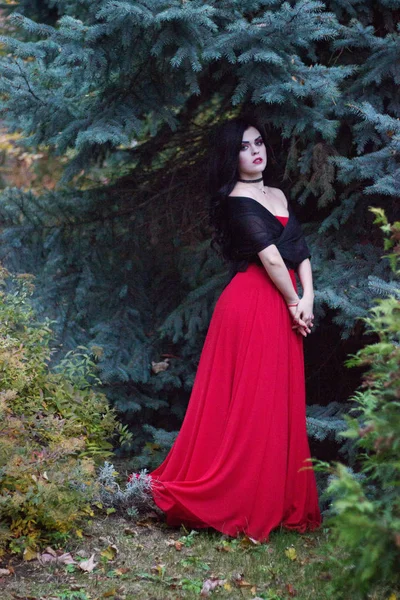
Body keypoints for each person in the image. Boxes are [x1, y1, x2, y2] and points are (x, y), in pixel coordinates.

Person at [149, 118, 322, 541]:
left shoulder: (277, 194)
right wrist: (295, 302)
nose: (256, 151)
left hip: (287, 303)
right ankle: (239, 499)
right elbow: (272, 259)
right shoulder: (236, 199)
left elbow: (299, 252)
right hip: (253, 306)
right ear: (232, 155)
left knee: (278, 400)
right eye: (245, 147)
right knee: (252, 402)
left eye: (259, 142)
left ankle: (275, 500)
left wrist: (309, 299)